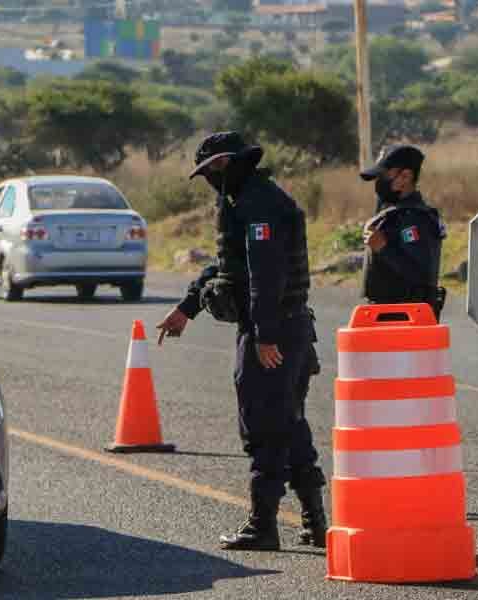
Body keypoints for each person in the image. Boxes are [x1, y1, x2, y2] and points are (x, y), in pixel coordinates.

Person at [156, 132, 327, 551]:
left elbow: (267, 275)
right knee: (289, 423)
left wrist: (264, 336)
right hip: (284, 327)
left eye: (214, 169)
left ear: (230, 163)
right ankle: (315, 521)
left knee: (265, 425)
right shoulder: (243, 200)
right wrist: (187, 308)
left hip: (273, 329)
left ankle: (262, 525)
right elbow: (226, 265)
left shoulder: (260, 205)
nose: (211, 179)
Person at [359, 145, 447, 320]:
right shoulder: (393, 213)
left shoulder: (415, 218)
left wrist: (384, 248)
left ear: (405, 177)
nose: (379, 182)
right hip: (386, 317)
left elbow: (423, 276)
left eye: (384, 175)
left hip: (405, 321)